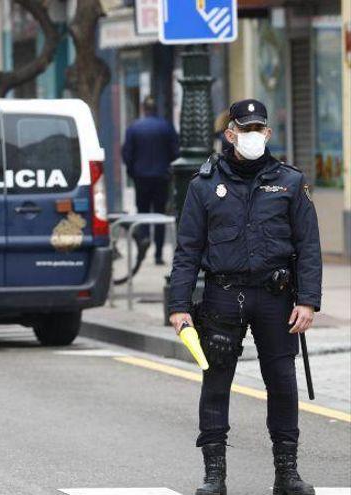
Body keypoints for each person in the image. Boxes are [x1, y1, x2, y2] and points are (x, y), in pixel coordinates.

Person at [168, 99, 321, 495]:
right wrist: (179, 306)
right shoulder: (204, 185)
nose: (253, 135)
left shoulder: (289, 182)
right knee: (216, 384)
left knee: (283, 384)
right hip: (224, 295)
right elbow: (187, 250)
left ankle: (287, 474)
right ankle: (214, 475)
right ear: (230, 133)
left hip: (277, 297)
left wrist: (308, 300)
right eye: (245, 128)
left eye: (259, 128)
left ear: (268, 134)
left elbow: (308, 247)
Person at [121, 96, 180, 264]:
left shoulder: (134, 128)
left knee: (143, 211)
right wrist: (170, 171)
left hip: (141, 177)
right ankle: (159, 254)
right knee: (159, 214)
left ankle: (144, 239)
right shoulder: (166, 127)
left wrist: (133, 172)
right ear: (155, 109)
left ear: (143, 108)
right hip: (161, 177)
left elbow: (127, 154)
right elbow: (175, 152)